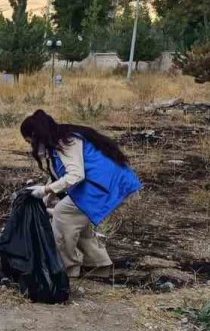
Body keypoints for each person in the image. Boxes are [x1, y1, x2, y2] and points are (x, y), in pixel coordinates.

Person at [19, 110, 141, 279]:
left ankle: (66, 269)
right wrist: (45, 198)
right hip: (100, 183)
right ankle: (99, 266)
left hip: (106, 184)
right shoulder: (57, 142)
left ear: (35, 134)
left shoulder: (67, 141)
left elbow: (75, 175)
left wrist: (45, 191)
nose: (31, 146)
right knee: (76, 219)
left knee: (63, 214)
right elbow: (60, 175)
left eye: (30, 141)